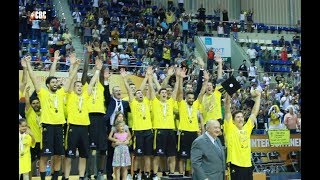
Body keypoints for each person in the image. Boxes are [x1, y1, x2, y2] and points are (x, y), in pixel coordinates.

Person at [24, 54, 79, 180]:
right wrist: (28, 64)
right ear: (48, 84)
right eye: (52, 82)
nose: (55, 83)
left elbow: (70, 78)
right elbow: (33, 78)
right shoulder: (42, 93)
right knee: (45, 156)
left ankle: (55, 178)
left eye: (56, 82)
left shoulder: (60, 93)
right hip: (47, 127)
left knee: (58, 155)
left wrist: (75, 65)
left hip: (60, 126)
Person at [224, 88, 261, 180]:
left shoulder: (247, 128)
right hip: (235, 165)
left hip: (247, 165)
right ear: (233, 120)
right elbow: (227, 109)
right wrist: (228, 95)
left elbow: (254, 113)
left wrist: (258, 97)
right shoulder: (230, 128)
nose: (240, 119)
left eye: (242, 117)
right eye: (237, 117)